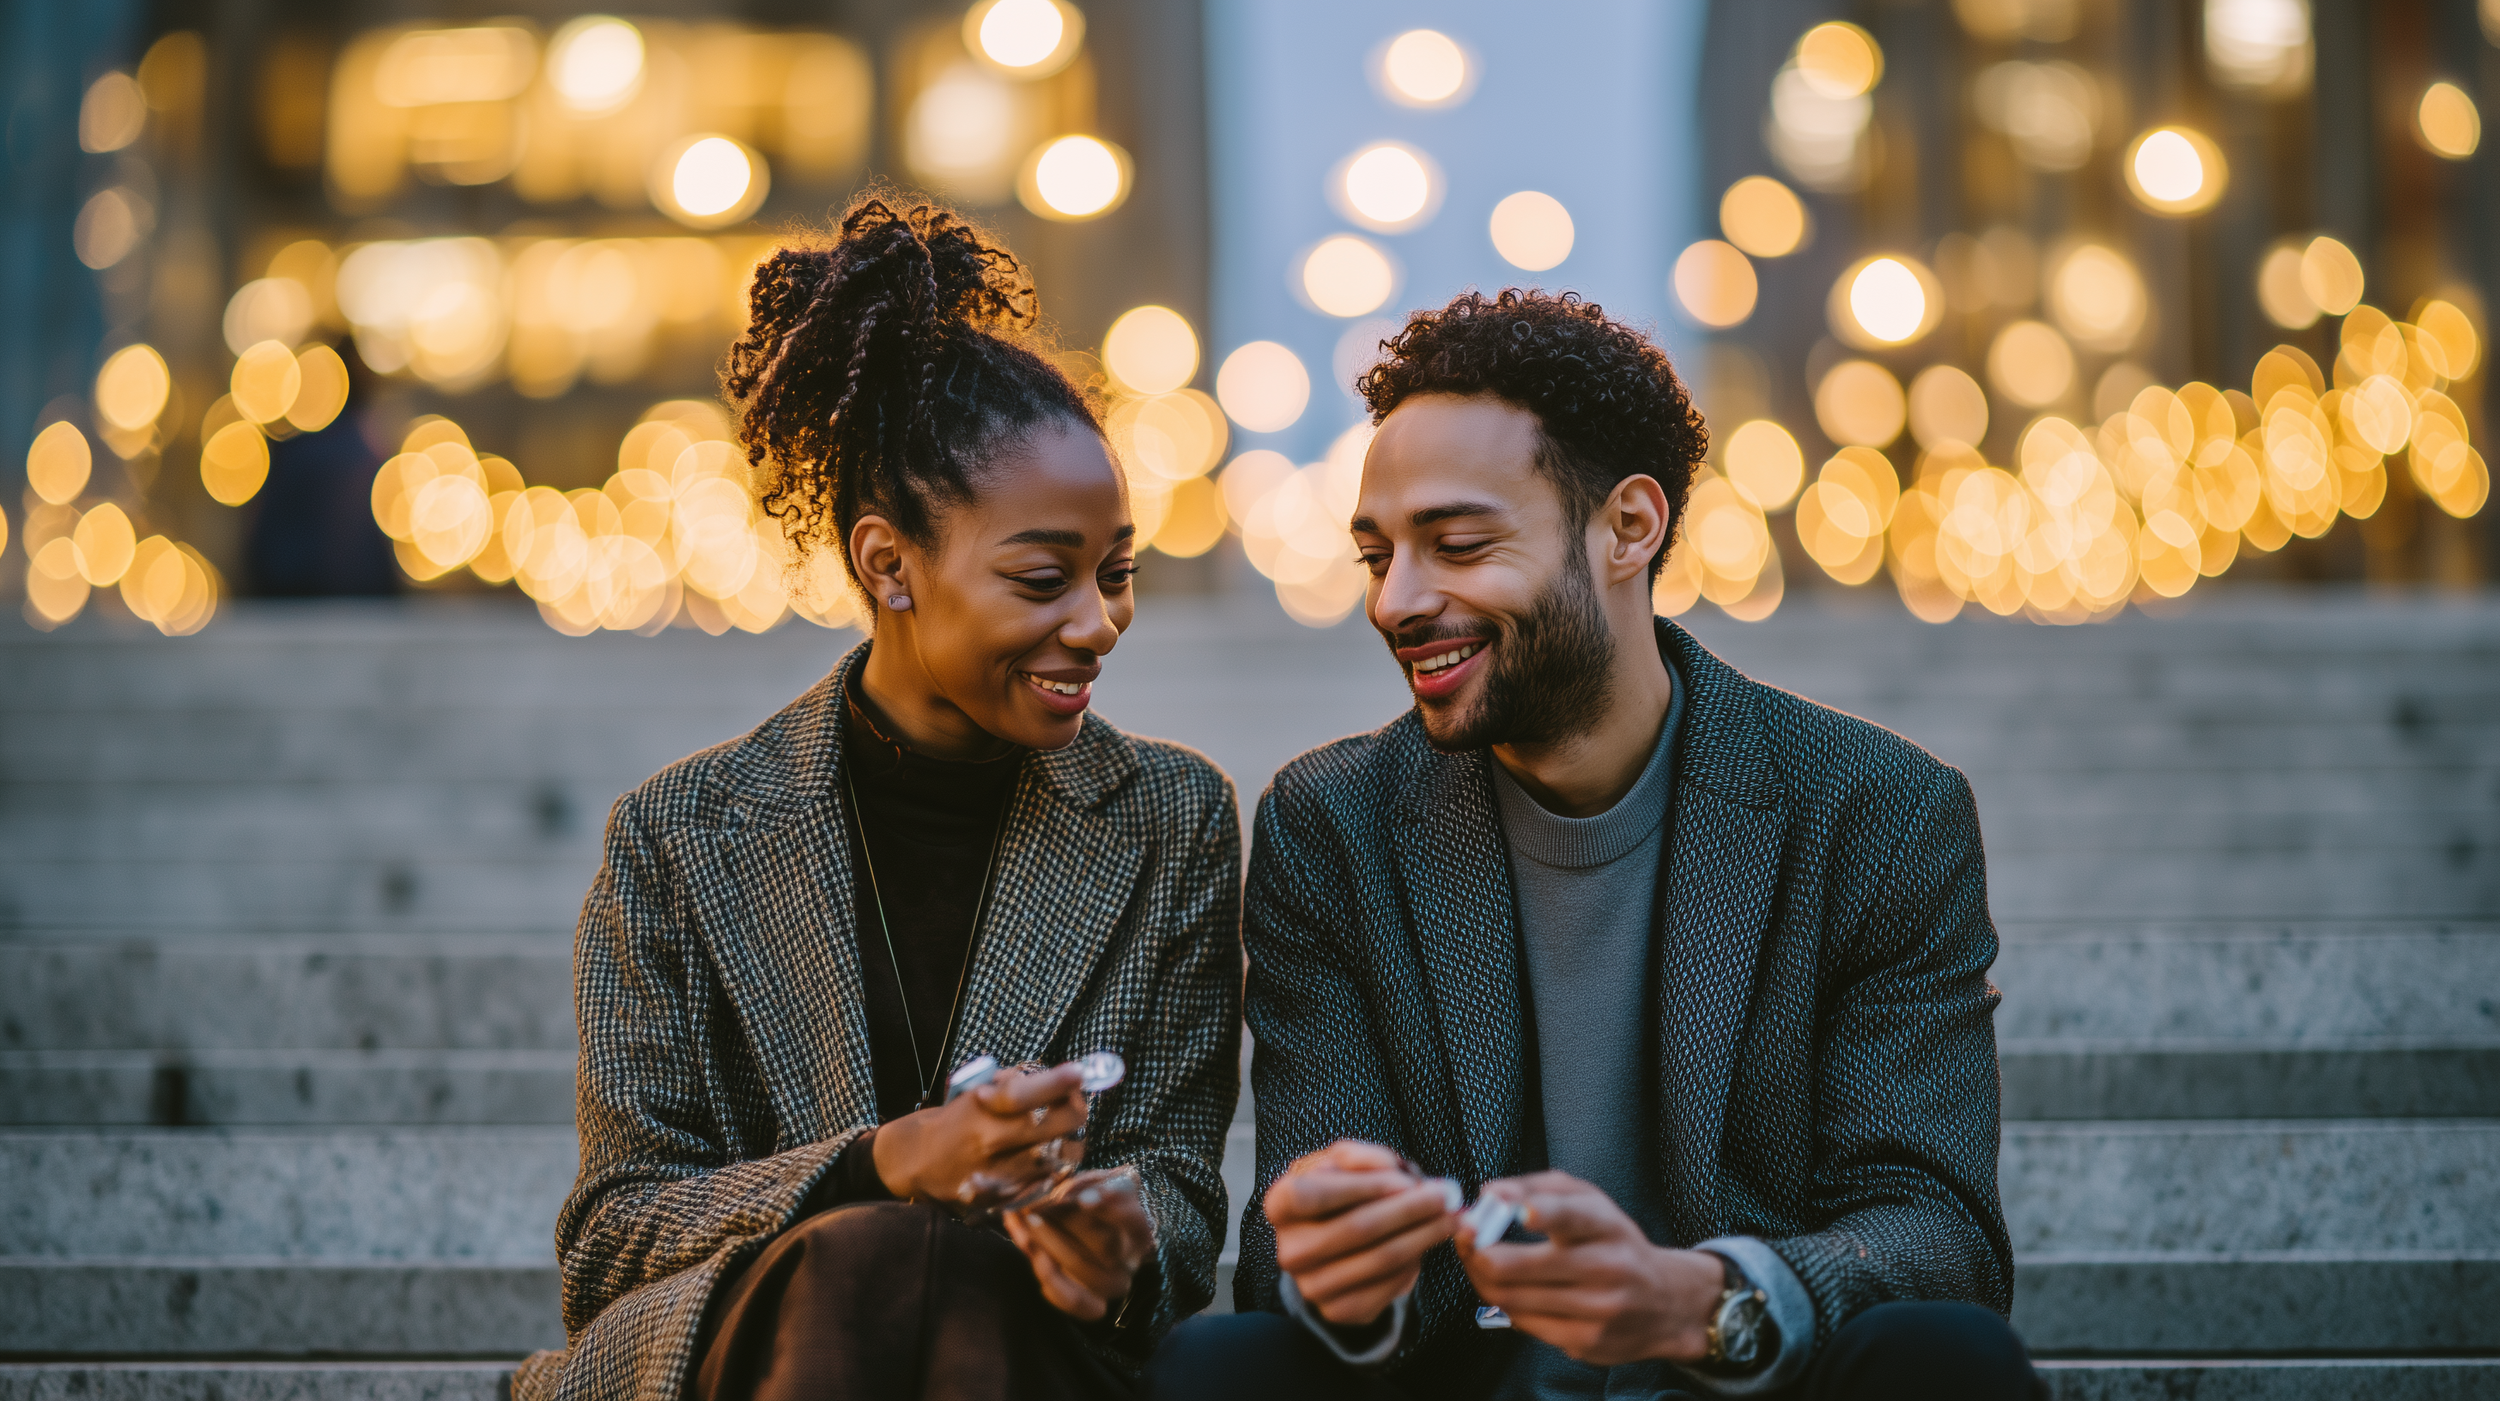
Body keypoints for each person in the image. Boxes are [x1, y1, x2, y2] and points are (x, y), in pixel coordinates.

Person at [1149, 290, 2040, 1400]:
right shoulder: (1330, 826)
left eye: (1458, 544)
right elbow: (1292, 1255)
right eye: (1378, 556)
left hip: (1735, 1379)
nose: (1398, 601)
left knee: (1949, 1357)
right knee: (1218, 1368)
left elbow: (1935, 1231)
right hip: (1464, 1382)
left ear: (1629, 527)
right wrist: (1341, 1269)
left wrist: (1694, 1297)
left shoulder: (1876, 813)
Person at [516, 199, 1242, 1401]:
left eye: (1118, 575)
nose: (1099, 621)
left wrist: (1114, 1246)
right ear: (886, 564)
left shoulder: (1171, 820)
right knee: (871, 1262)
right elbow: (612, 1242)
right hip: (749, 1353)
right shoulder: (682, 836)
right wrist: (886, 1165)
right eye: (1042, 578)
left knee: (938, 1280)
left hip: (1029, 1348)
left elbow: (1174, 1184)